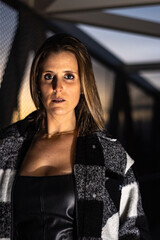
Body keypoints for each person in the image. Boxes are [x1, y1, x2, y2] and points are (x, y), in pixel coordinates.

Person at [0, 33, 151, 240]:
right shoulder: (7, 146)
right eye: (48, 76)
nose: (57, 87)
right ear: (37, 84)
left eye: (68, 76)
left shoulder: (110, 154)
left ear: (82, 86)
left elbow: (134, 230)